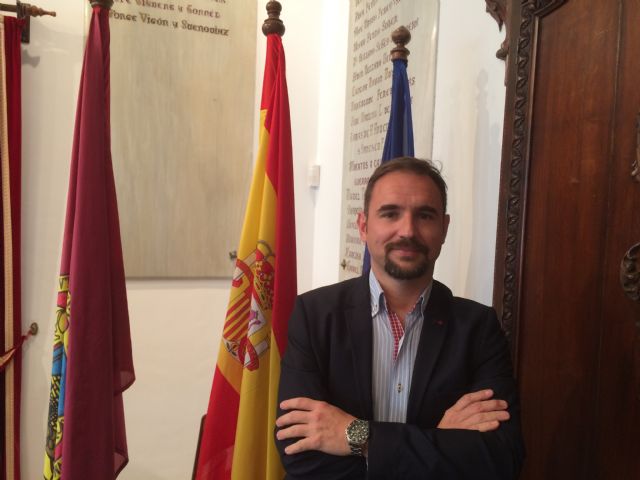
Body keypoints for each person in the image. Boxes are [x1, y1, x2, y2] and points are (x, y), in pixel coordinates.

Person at [274, 157, 524, 479]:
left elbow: (501, 458)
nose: (407, 230)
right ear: (363, 226)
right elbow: (300, 457)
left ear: (444, 229)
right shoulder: (315, 316)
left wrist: (357, 435)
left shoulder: (478, 328)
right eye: (390, 213)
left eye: (425, 215)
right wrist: (440, 440)